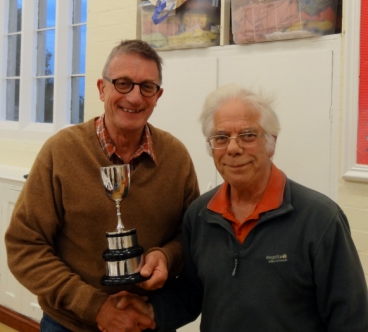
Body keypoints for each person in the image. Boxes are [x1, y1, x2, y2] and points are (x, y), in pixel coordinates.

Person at [119, 83, 368, 331]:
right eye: (221, 138)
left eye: (248, 135)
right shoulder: (200, 215)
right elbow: (192, 294)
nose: (233, 149)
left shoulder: (320, 219)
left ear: (271, 142)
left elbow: (351, 318)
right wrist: (148, 311)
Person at [5, 39, 199, 332]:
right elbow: (24, 246)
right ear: (101, 88)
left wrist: (166, 256)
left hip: (146, 321)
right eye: (123, 83)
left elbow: (192, 237)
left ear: (158, 96)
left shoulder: (176, 157)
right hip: (70, 324)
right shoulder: (61, 152)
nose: (134, 98)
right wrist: (93, 306)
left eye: (147, 87)